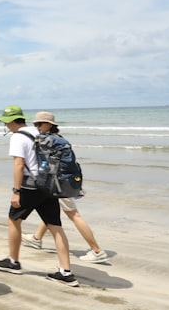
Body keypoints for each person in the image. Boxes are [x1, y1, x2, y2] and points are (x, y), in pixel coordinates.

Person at [0, 105, 80, 286]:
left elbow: (18, 164)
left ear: (11, 122)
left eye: (6, 123)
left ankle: (13, 261)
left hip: (30, 187)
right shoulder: (39, 132)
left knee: (14, 220)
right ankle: (66, 272)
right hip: (49, 186)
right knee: (55, 226)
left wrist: (16, 191)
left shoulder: (18, 137)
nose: (6, 126)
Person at [24, 112, 108, 263]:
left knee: (74, 214)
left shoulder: (48, 140)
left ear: (48, 124)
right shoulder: (59, 139)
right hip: (64, 180)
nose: (37, 127)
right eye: (35, 124)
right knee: (49, 209)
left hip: (58, 182)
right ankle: (36, 238)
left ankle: (97, 251)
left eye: (39, 124)